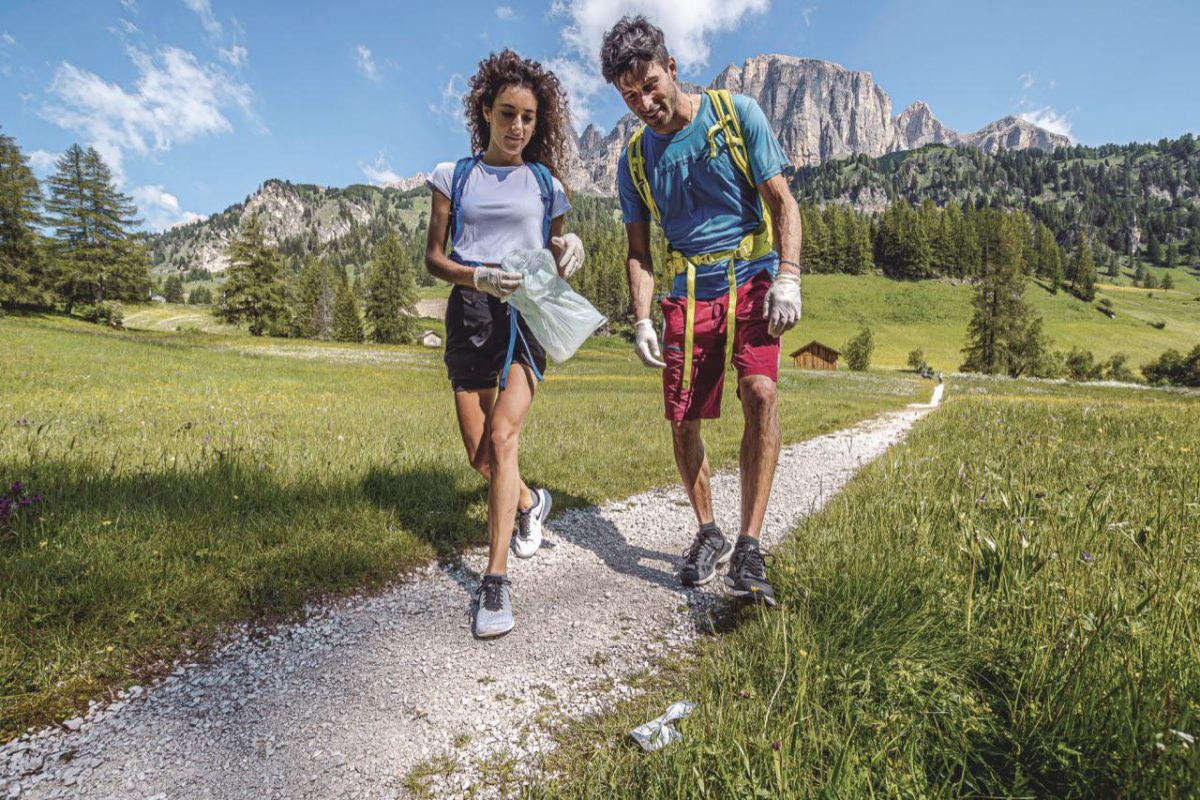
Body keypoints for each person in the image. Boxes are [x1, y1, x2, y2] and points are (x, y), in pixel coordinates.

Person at [600, 16, 803, 606]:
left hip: (752, 278)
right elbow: (639, 252)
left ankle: (749, 544)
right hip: (690, 293)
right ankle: (709, 532)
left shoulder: (737, 114)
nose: (644, 102)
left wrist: (787, 276)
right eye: (630, 95)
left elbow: (782, 201)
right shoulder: (635, 160)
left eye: (651, 84)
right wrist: (642, 317)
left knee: (760, 394)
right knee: (683, 419)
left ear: (672, 69)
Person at [424, 49, 584, 638]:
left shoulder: (546, 184)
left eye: (529, 118)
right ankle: (528, 503)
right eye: (507, 114)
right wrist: (478, 276)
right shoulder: (453, 176)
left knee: (503, 433)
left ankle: (494, 584)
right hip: (471, 309)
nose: (517, 127)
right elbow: (434, 259)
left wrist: (570, 252)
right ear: (485, 111)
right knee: (481, 457)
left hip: (530, 312)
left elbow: (557, 257)